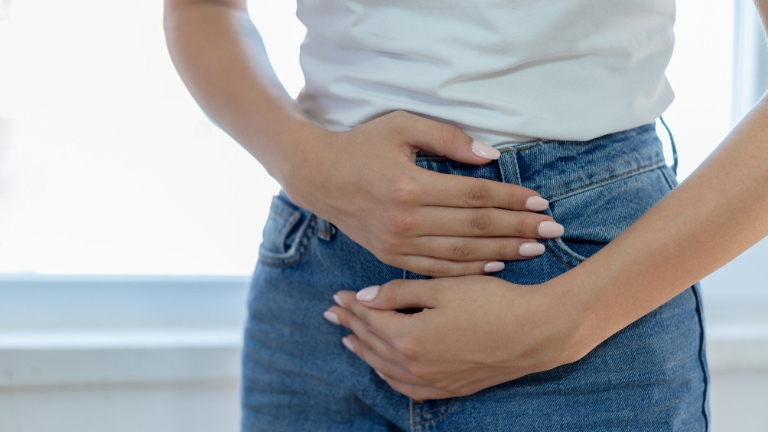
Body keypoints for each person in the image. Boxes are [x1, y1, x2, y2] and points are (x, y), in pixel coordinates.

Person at [164, 0, 768, 430]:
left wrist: (564, 321)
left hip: (586, 273)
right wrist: (308, 167)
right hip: (319, 270)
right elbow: (201, 9)